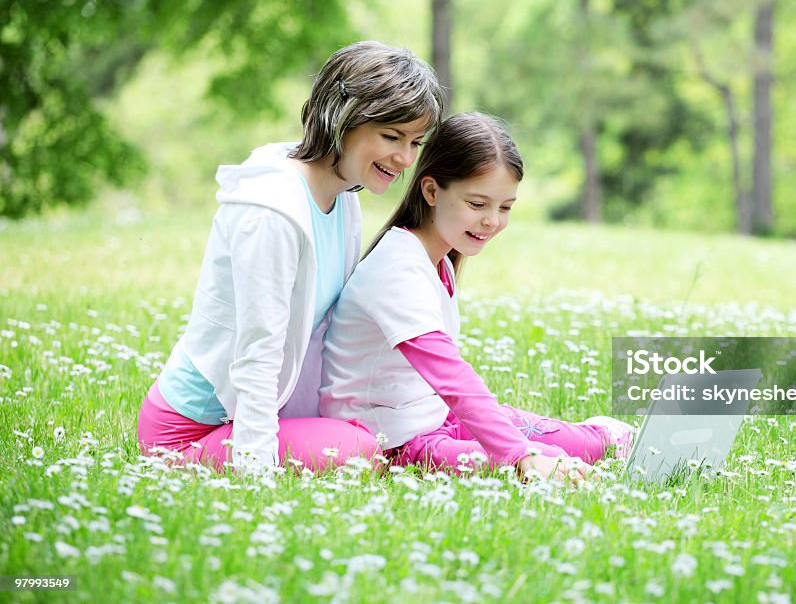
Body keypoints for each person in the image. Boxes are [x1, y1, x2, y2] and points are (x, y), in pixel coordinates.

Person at [137, 41, 445, 475]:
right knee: (360, 449)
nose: (405, 158)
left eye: (416, 142)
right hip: (190, 431)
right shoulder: (273, 210)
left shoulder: (343, 200)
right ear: (341, 118)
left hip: (254, 413)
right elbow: (258, 351)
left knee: (367, 438)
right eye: (391, 137)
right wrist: (257, 470)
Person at [319, 112, 632, 482]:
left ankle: (623, 440)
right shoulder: (397, 269)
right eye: (478, 204)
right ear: (432, 190)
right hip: (395, 445)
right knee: (553, 462)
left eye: (505, 207)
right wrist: (521, 456)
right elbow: (451, 377)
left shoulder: (439, 261)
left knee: (590, 447)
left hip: (438, 421)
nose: (493, 221)